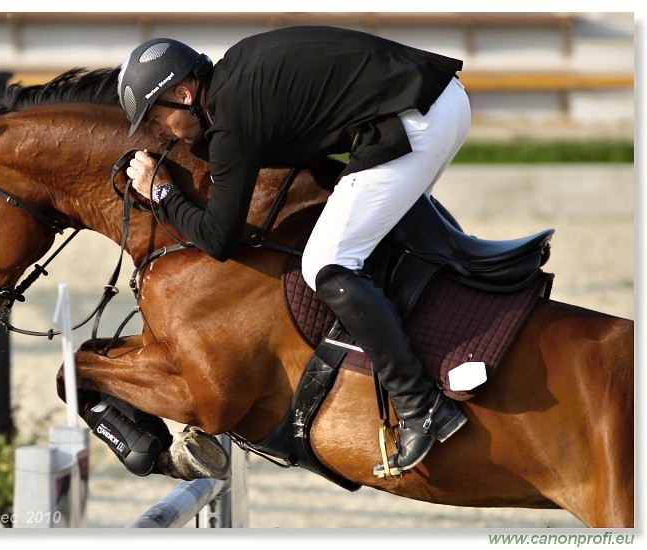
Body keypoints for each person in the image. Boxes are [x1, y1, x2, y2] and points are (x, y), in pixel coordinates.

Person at [118, 25, 470, 473]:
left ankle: (422, 405)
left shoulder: (232, 118)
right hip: (435, 100)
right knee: (363, 231)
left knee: (326, 261)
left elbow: (219, 239)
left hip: (418, 118)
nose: (159, 133)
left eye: (155, 118)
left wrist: (162, 193)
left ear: (185, 95)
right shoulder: (237, 72)